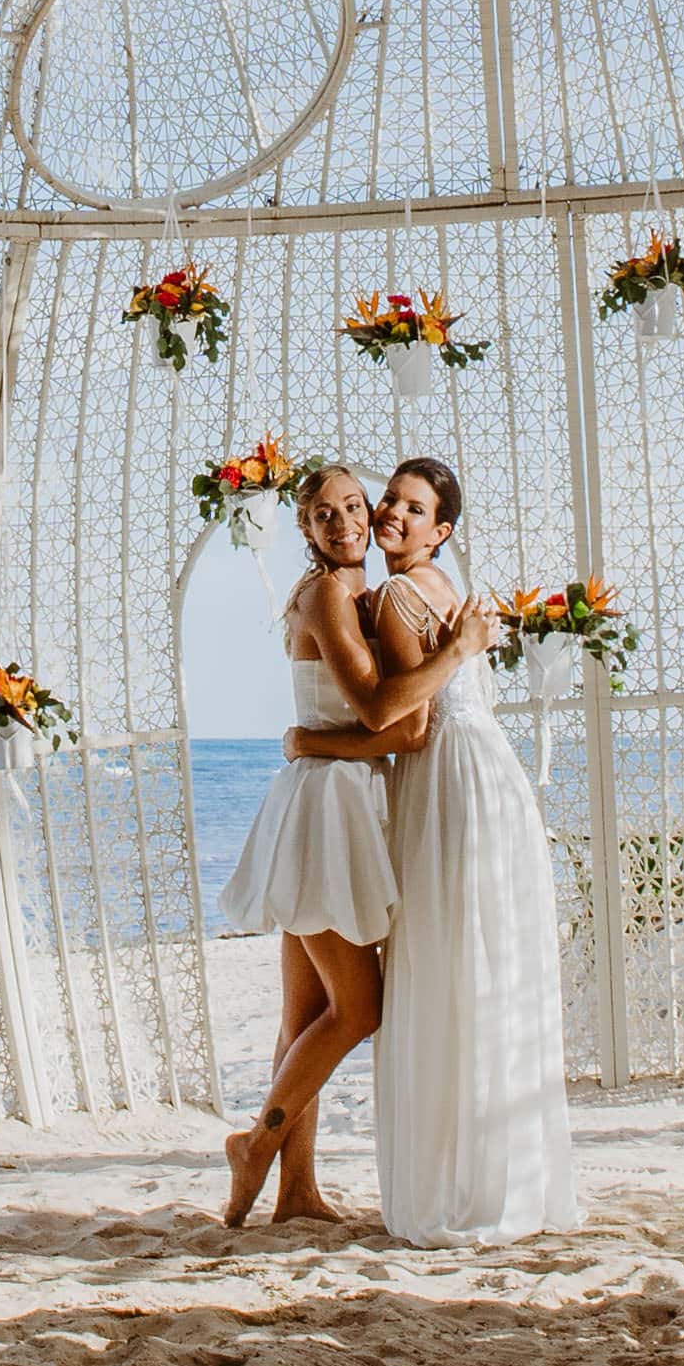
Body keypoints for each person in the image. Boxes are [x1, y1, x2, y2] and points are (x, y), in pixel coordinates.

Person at [214, 466, 488, 1224]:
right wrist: (456, 651)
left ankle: (295, 1190)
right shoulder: (332, 593)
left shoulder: (354, 595)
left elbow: (364, 720)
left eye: (351, 507)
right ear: (303, 529)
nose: (344, 523)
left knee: (303, 1017)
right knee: (358, 1009)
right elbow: (389, 721)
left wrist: (308, 736)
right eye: (321, 514)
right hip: (326, 810)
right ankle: (257, 1145)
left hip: (325, 799)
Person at [352, 454, 581, 1244]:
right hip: (477, 776)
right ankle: (491, 1173)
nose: (392, 514)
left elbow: (395, 713)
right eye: (389, 501)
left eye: (413, 509)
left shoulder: (396, 594)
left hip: (457, 782)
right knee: (476, 961)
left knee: (461, 962)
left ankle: (474, 1178)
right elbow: (417, 697)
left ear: (441, 531)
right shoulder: (424, 593)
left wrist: (455, 651)